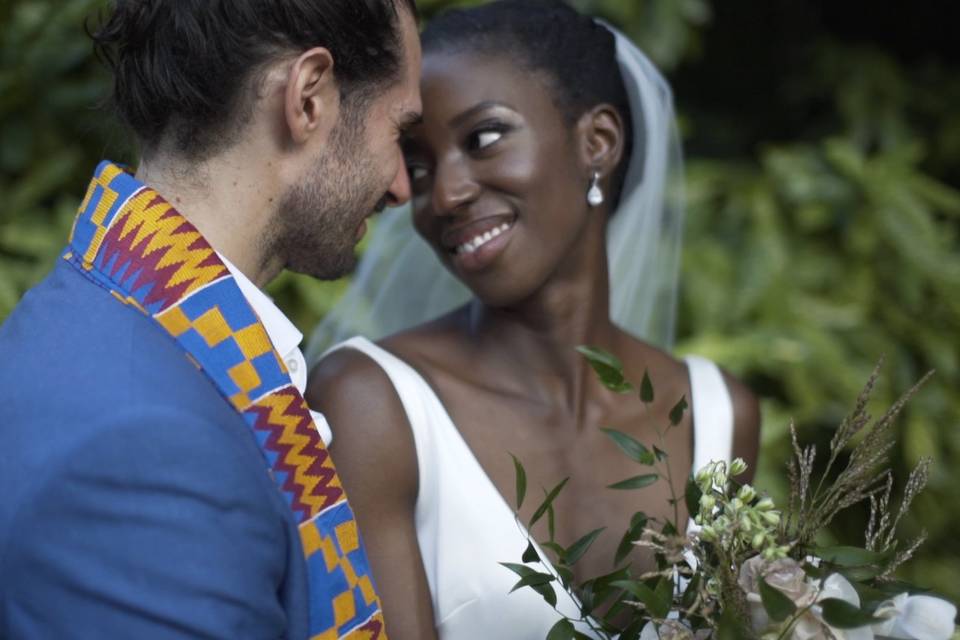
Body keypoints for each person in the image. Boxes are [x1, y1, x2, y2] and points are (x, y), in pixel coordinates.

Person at [306, 1, 761, 639]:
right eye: (418, 164)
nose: (445, 194)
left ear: (597, 143)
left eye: (483, 139)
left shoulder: (718, 417)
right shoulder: (371, 405)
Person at [0, 1, 421, 638]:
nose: (400, 186)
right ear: (309, 98)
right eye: (399, 131)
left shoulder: (96, 316)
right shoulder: (145, 446)